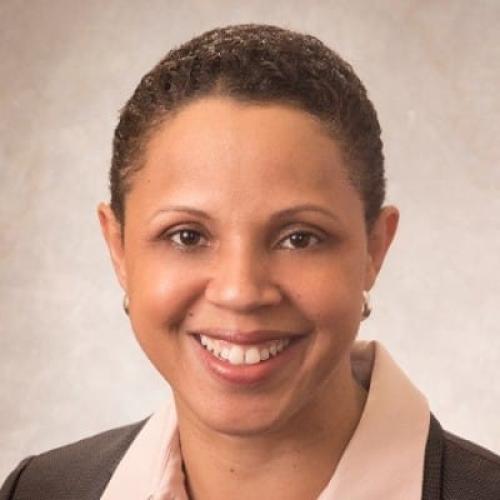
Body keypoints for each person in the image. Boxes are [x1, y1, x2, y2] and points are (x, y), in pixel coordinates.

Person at [1, 23, 499, 500]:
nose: (240, 291)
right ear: (119, 248)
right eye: (187, 236)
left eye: (299, 238)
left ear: (375, 249)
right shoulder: (37, 491)